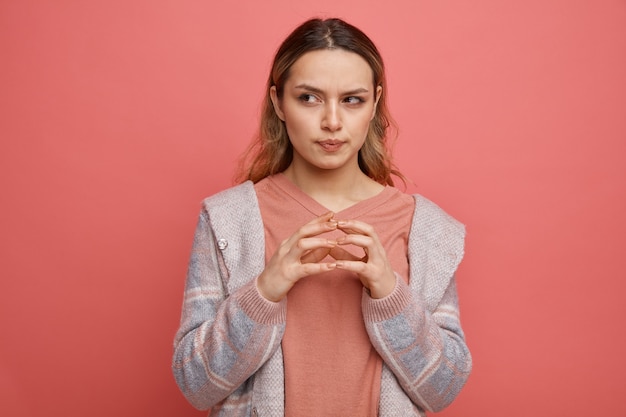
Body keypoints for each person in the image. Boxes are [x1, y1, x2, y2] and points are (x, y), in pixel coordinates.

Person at [172, 17, 471, 417]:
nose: (332, 121)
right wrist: (264, 291)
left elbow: (443, 389)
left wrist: (390, 294)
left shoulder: (426, 229)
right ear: (278, 102)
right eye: (309, 98)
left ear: (375, 103)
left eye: (352, 99)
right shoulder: (228, 219)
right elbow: (196, 385)